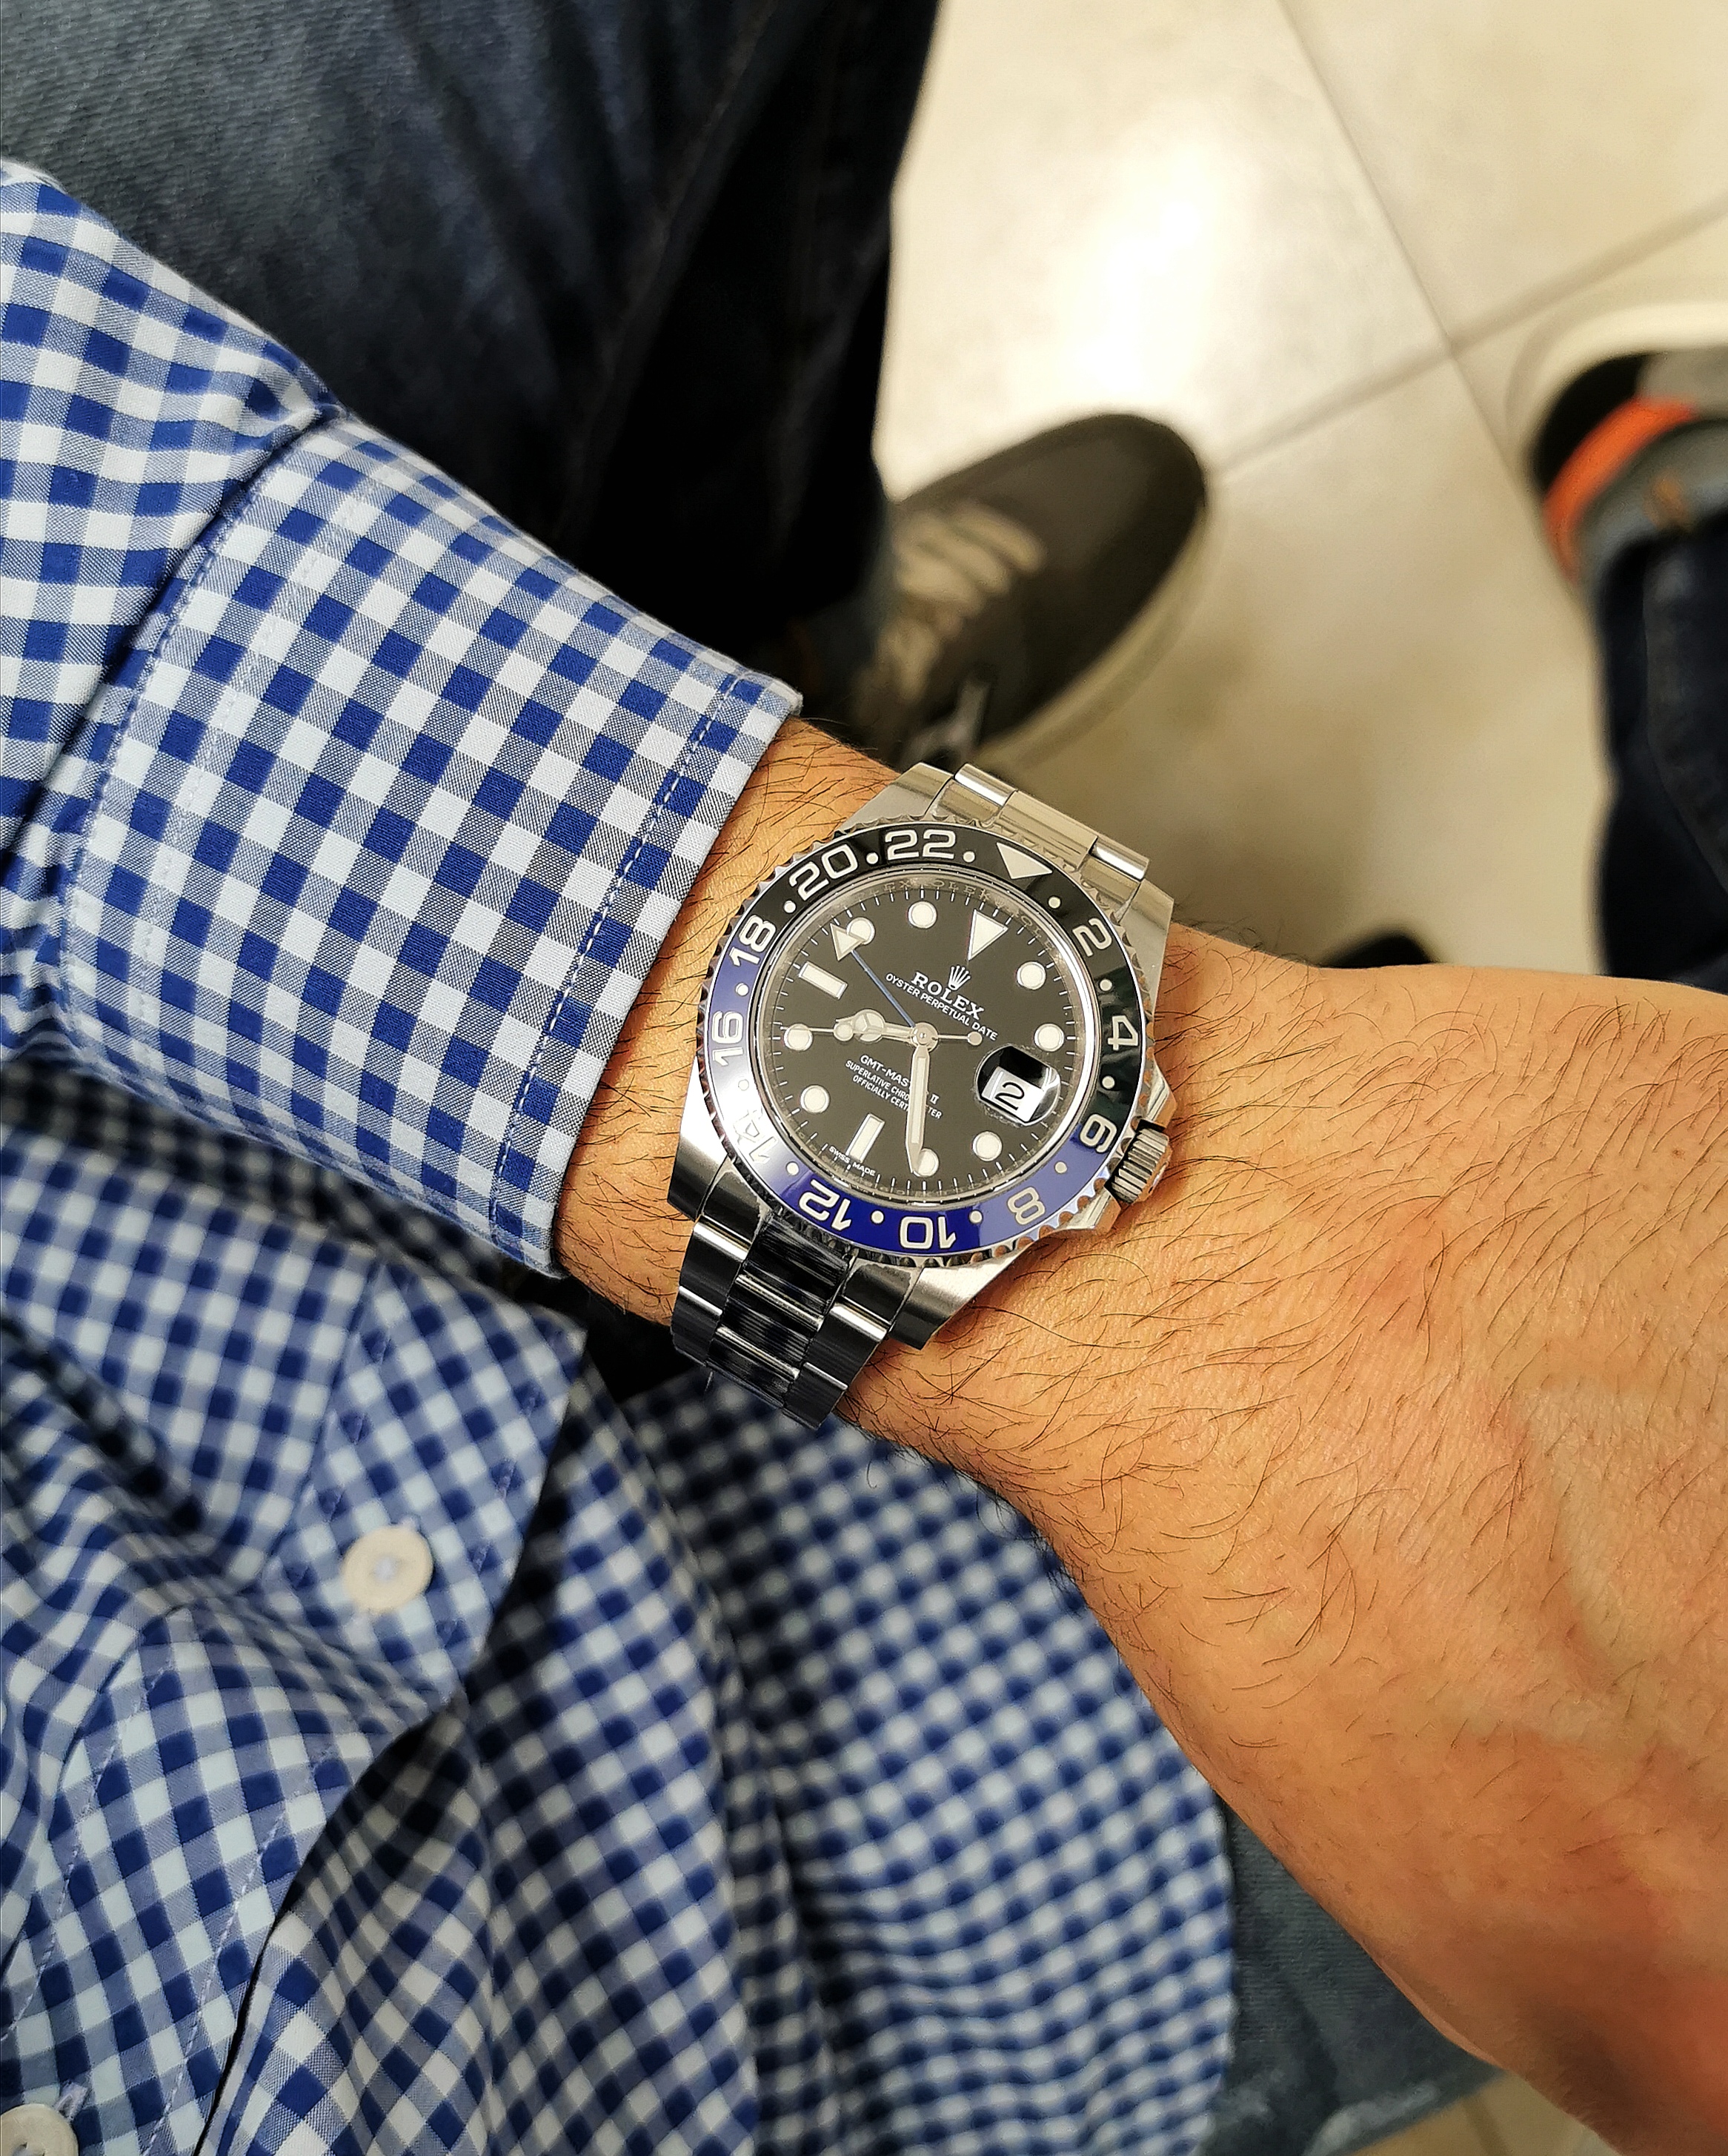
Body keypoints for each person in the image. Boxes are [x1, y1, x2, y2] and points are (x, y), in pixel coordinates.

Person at [0, 7, 1724, 2156]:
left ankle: (800, 694)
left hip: (130, 1157)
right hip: (890, 1916)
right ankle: (1686, 577)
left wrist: (1241, 1245)